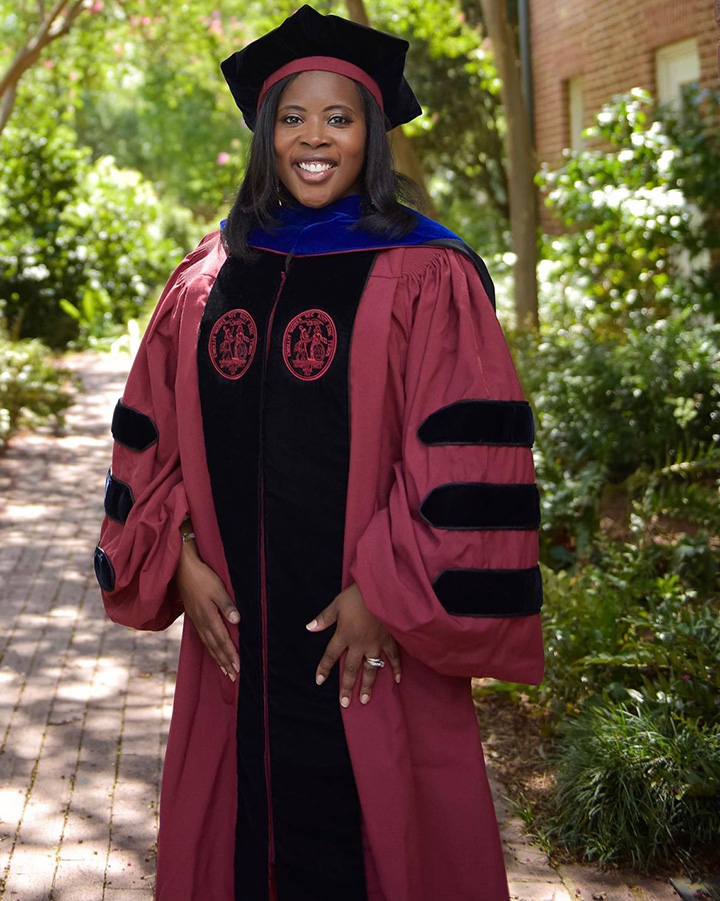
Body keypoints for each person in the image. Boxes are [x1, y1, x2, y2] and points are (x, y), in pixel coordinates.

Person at [94, 6, 544, 900]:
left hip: (370, 647)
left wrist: (386, 590)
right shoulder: (206, 278)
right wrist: (173, 556)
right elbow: (150, 439)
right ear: (266, 136)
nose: (314, 138)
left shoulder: (427, 272)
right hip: (237, 654)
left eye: (339, 119)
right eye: (293, 118)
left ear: (370, 136)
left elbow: (461, 460)